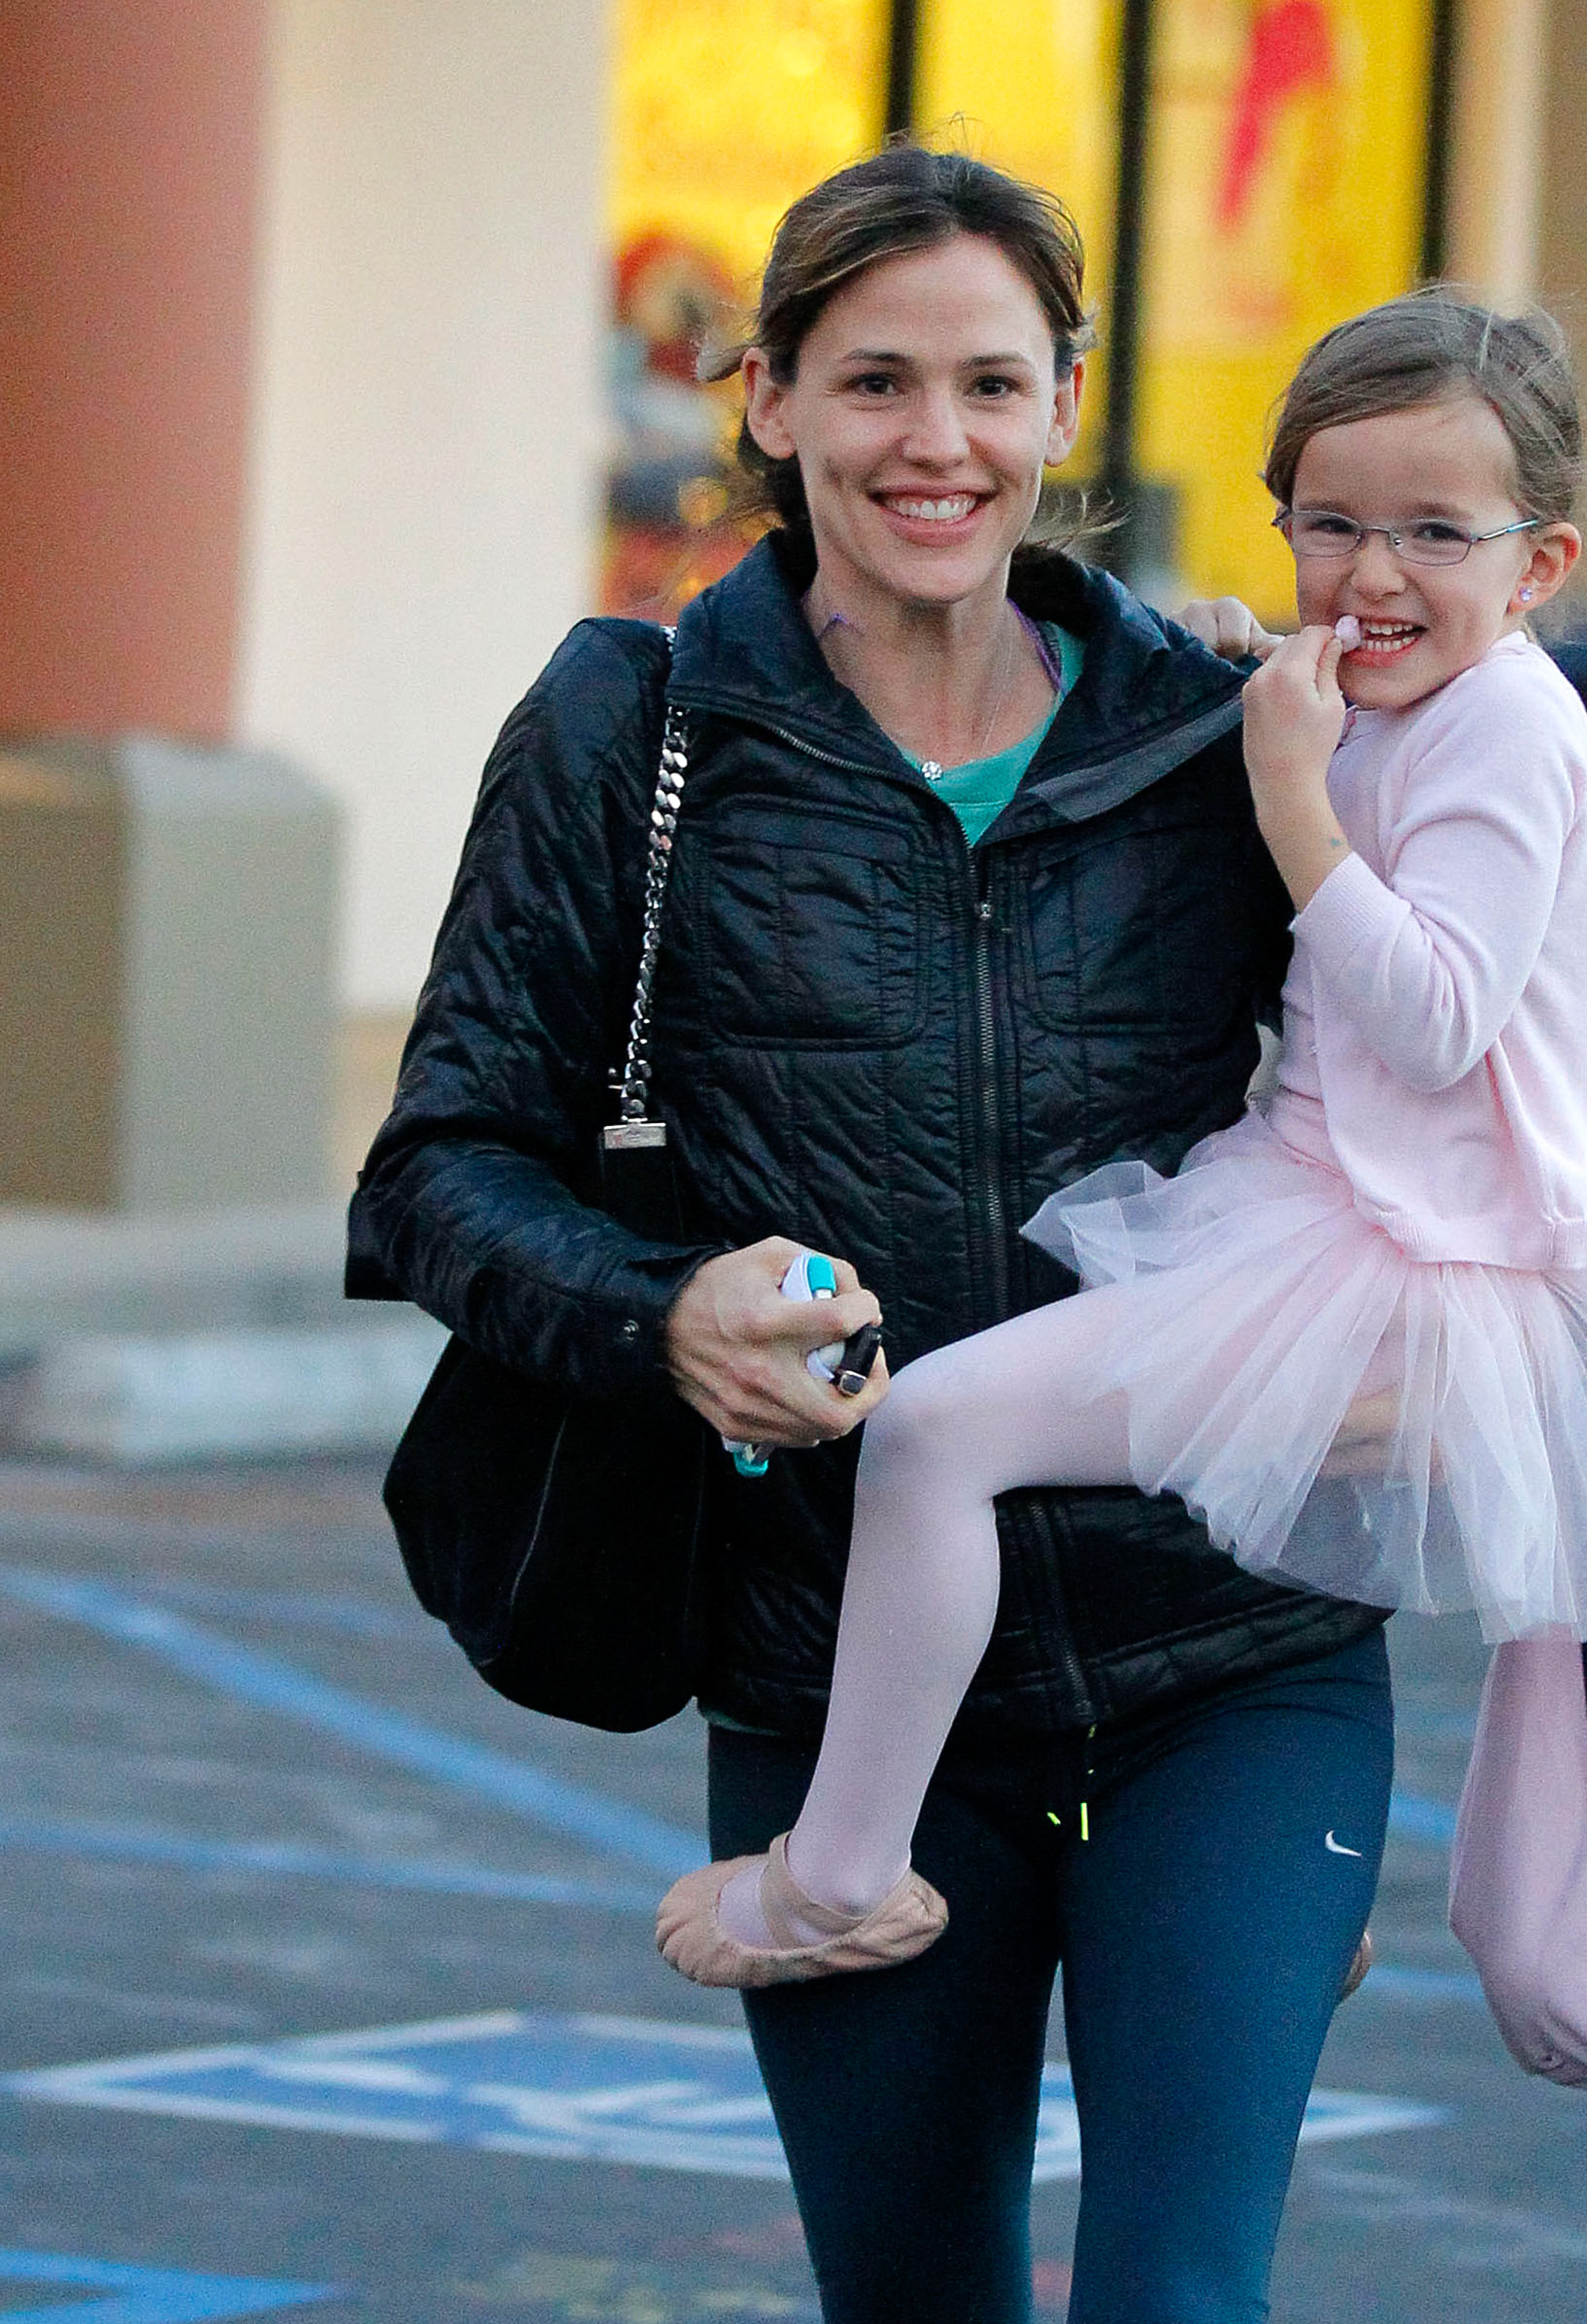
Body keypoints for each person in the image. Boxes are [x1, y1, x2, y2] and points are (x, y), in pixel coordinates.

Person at [349, 144, 1396, 2324]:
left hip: (1230, 1645)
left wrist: (1416, 1339)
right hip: (846, 1678)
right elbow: (437, 1166)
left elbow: (1457, 1067)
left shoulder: (1220, 731)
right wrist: (662, 1314)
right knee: (914, 2298)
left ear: (1068, 406)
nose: (939, 444)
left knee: (1178, 2295)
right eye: (876, 382)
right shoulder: (633, 734)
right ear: (770, 401)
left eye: (992, 385)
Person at [653, 286, 1587, 1990]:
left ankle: (841, 1873)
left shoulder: (1504, 723)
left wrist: (1283, 789)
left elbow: (1429, 1012)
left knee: (935, 1433)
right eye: (1327, 526)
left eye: (1431, 532)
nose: (1371, 574)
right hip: (1354, 1215)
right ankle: (1250, 1896)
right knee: (993, 1444)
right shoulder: (1401, 689)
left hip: (1412, 1259)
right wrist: (1239, 671)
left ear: (1539, 564)